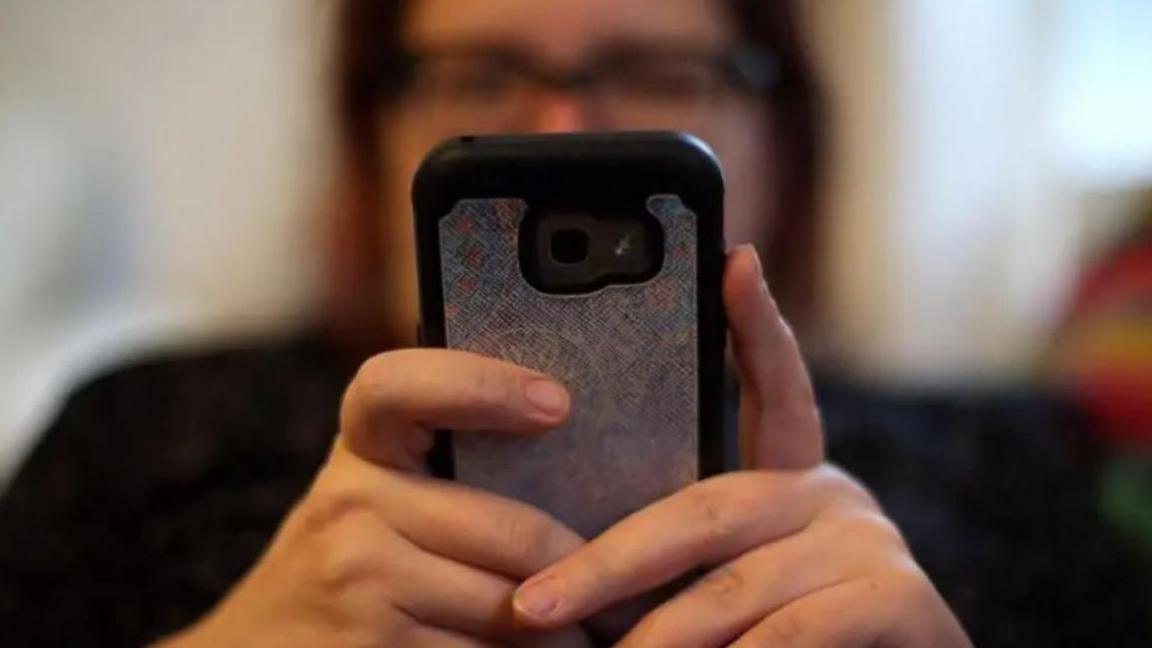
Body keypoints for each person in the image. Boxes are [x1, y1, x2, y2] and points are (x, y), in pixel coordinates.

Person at [0, 0, 1144, 645]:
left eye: (655, 73)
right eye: (477, 74)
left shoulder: (1010, 455)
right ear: (374, 138)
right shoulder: (139, 426)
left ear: (784, 149)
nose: (558, 128)